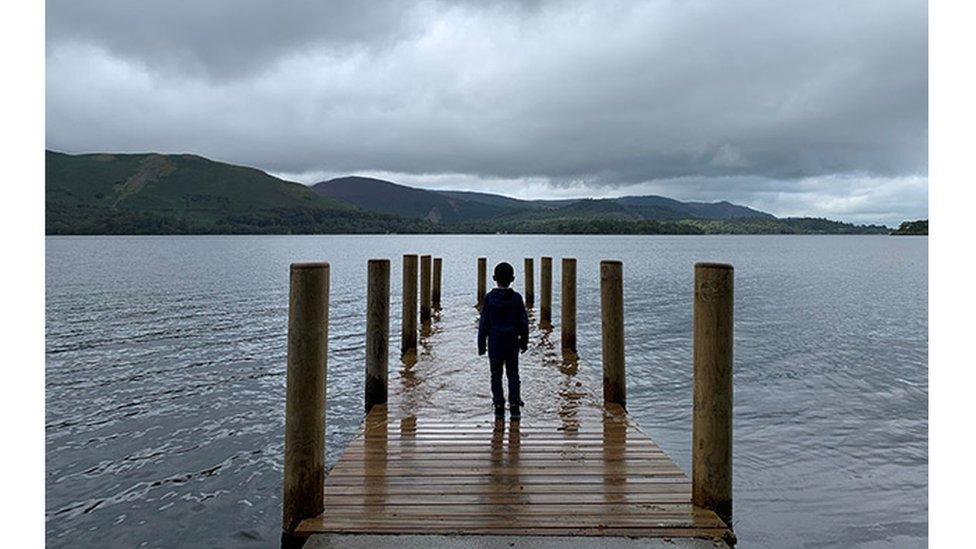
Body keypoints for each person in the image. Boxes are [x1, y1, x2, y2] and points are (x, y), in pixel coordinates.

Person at [478, 262, 529, 419]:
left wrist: (481, 345)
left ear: (494, 278)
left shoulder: (489, 298)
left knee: (496, 374)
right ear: (513, 279)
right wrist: (524, 341)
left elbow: (484, 323)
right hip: (512, 342)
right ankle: (514, 405)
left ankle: (499, 405)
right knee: (513, 374)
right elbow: (523, 322)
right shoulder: (517, 298)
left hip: (495, 342)